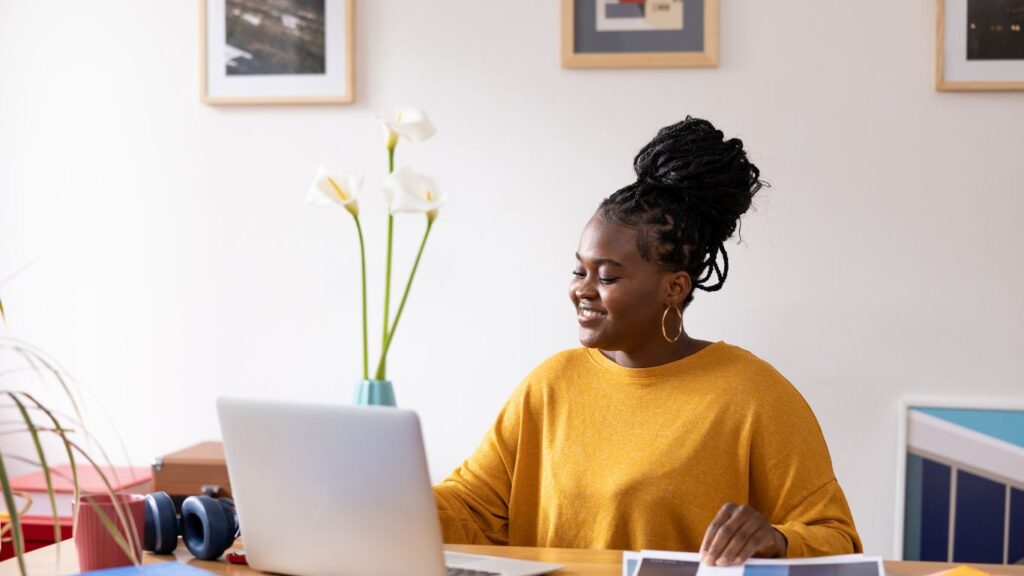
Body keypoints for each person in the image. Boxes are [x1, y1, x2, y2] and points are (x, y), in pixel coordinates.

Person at [433, 116, 862, 566]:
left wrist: (777, 540)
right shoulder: (550, 385)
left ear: (674, 288)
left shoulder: (753, 395)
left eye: (608, 276)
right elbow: (472, 510)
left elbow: (837, 540)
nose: (583, 288)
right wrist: (380, 497)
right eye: (580, 270)